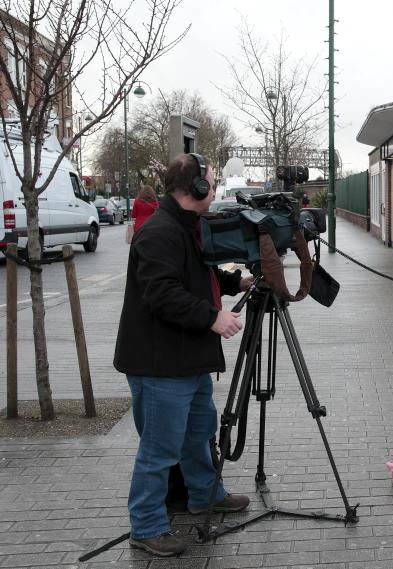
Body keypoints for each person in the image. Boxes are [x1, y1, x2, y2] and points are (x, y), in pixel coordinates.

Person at [114, 153, 253, 557]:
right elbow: (163, 293)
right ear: (197, 188)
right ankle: (146, 526)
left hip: (186, 359)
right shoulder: (160, 232)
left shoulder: (185, 226)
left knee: (197, 436)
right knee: (159, 449)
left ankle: (204, 495)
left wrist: (236, 280)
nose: (214, 187)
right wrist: (213, 318)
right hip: (160, 364)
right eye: (210, 181)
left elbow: (199, 272)